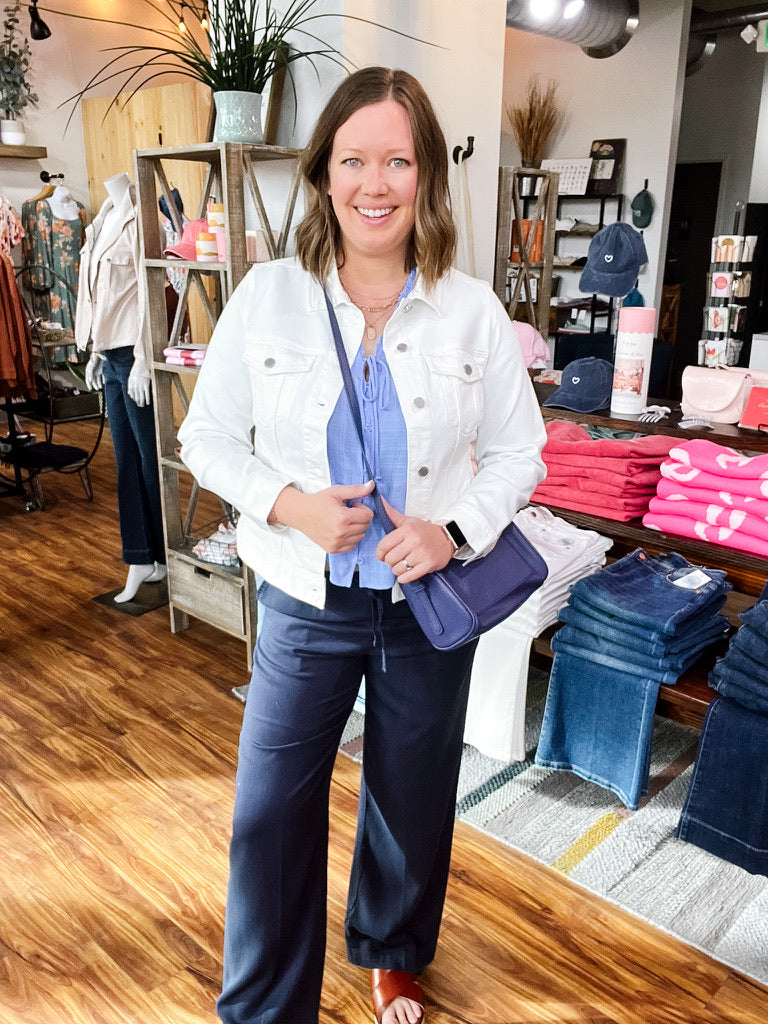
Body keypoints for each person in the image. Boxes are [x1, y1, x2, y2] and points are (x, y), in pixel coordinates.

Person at [178, 67, 546, 1024]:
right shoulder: (268, 298)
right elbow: (204, 439)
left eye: (396, 160)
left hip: (427, 605)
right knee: (268, 815)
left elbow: (520, 453)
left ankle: (393, 954)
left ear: (423, 176)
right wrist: (290, 504)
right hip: (306, 600)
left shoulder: (472, 311)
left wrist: (452, 528)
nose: (373, 184)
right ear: (323, 173)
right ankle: (264, 1006)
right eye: (353, 160)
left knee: (412, 799)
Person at [76, 172, 167, 603]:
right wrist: (95, 351)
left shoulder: (143, 220)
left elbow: (152, 293)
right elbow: (98, 295)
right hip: (110, 355)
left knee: (151, 460)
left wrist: (146, 361)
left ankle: (160, 555)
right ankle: (144, 556)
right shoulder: (103, 219)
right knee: (126, 460)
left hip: (134, 356)